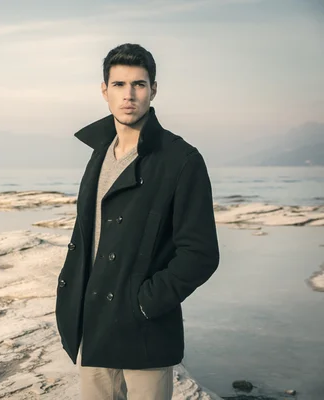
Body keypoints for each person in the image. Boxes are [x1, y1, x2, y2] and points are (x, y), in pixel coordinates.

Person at [54, 43, 220, 400]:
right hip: (93, 322)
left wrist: (144, 303)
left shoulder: (182, 160)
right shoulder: (99, 153)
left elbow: (201, 253)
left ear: (153, 89)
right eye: (119, 85)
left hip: (144, 329)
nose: (129, 95)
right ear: (105, 91)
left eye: (139, 85)